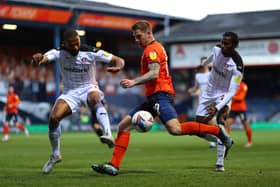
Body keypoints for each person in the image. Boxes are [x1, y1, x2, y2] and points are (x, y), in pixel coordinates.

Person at [91, 20, 233, 176]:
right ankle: (113, 165)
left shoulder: (152, 49)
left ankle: (218, 132)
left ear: (149, 34)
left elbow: (154, 73)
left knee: (175, 129)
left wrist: (133, 81)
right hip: (153, 97)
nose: (137, 40)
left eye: (139, 37)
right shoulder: (152, 48)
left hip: (161, 95)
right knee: (123, 126)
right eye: (135, 37)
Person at [31, 28, 125, 174]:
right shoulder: (58, 52)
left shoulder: (90, 51)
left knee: (95, 97)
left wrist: (118, 66)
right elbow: (42, 59)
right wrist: (36, 60)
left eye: (77, 43)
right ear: (65, 44)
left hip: (89, 88)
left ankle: (108, 133)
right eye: (71, 44)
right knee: (54, 118)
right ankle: (55, 154)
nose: (75, 47)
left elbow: (118, 59)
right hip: (70, 93)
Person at [195, 31, 244, 172]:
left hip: (224, 94)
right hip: (208, 93)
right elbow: (211, 57)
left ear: (234, 45)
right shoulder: (217, 49)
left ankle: (219, 163)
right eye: (222, 42)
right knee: (198, 128)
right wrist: (203, 64)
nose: (223, 46)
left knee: (220, 121)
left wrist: (217, 107)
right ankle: (224, 138)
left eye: (226, 43)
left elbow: (232, 91)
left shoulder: (238, 65)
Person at [187, 57, 216, 148]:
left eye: (205, 62)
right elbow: (196, 87)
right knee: (202, 124)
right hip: (201, 102)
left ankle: (219, 139)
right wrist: (191, 90)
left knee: (210, 122)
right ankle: (216, 140)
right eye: (202, 62)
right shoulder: (198, 76)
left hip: (211, 101)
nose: (204, 64)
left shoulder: (212, 74)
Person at [225, 81, 253, 147]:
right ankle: (226, 141)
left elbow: (241, 97)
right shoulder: (231, 85)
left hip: (241, 109)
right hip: (232, 109)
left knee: (245, 125)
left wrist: (231, 96)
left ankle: (249, 142)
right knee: (227, 124)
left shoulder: (243, 86)